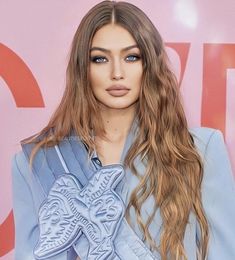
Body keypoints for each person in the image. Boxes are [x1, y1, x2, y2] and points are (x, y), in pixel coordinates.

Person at [12, 1, 235, 260]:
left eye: (131, 57)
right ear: (83, 69)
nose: (117, 73)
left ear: (148, 64)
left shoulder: (199, 151)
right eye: (100, 59)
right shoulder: (35, 163)